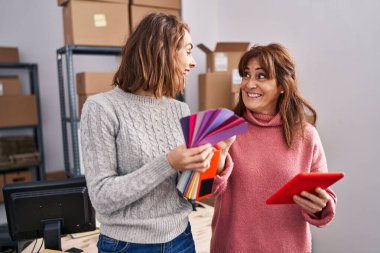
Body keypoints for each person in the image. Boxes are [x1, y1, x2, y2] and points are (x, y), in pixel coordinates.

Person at [80, 13, 215, 253]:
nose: (193, 62)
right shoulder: (101, 108)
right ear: (161, 52)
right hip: (127, 245)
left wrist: (210, 159)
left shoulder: (179, 108)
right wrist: (168, 163)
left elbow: (188, 193)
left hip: (182, 238)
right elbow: (101, 197)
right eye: (187, 51)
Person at [210, 43, 338, 253]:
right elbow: (204, 190)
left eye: (261, 76)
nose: (249, 84)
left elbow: (325, 198)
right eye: (246, 75)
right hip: (233, 247)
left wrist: (321, 206)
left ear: (282, 86)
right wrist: (220, 157)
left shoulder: (306, 135)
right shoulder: (226, 129)